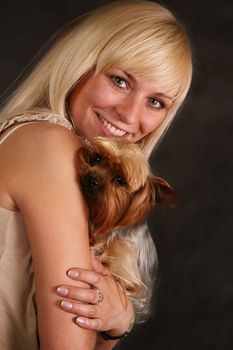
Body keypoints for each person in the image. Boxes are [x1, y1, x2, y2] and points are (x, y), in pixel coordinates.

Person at [0, 0, 192, 349]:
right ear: (82, 62)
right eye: (120, 81)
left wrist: (118, 322)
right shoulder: (52, 146)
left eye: (156, 102)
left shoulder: (29, 137)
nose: (129, 115)